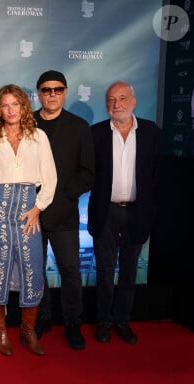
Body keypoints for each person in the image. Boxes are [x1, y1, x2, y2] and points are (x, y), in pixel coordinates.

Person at [0, 84, 57, 356]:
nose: (10, 110)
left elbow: (50, 178)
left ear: (24, 107)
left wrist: (39, 208)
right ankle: (0, 330)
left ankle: (27, 330)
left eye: (16, 104)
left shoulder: (39, 137)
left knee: (32, 271)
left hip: (27, 214)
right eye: (5, 105)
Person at [89, 81, 161, 345]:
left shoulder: (151, 132)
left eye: (121, 98)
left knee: (130, 271)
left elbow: (156, 175)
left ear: (133, 100)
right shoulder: (95, 133)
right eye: (110, 99)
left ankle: (123, 321)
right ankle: (104, 322)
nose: (116, 104)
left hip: (137, 213)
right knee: (105, 272)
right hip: (104, 212)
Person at [32, 70, 95, 350]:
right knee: (35, 271)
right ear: (39, 93)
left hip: (65, 213)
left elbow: (88, 172)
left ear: (65, 92)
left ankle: (72, 323)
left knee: (70, 271)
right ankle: (41, 318)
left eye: (57, 89)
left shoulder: (79, 126)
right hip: (30, 212)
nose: (52, 94)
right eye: (46, 90)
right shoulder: (26, 122)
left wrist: (65, 195)